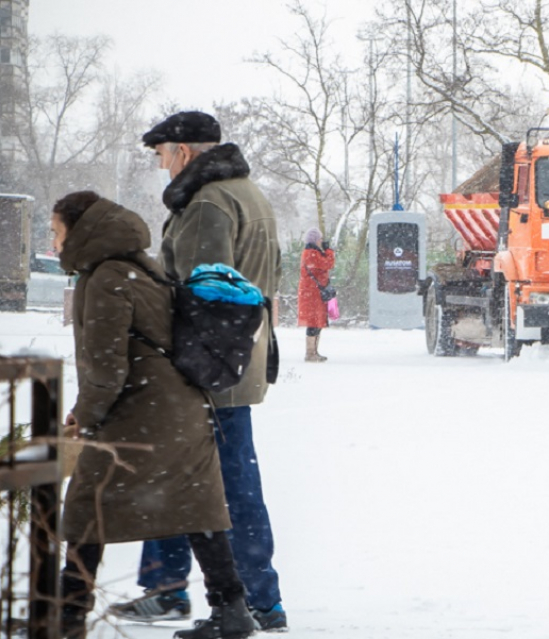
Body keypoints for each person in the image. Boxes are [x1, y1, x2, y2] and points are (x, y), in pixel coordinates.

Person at [108, 112, 287, 632]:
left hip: (208, 367)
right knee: (178, 474)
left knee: (223, 485)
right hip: (233, 361)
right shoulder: (245, 192)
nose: (162, 166)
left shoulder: (208, 203)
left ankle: (255, 599)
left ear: (184, 152)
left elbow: (201, 297)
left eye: (163, 155)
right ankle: (168, 587)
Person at [53, 191, 254, 639]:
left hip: (142, 411)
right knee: (196, 506)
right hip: (181, 408)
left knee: (88, 505)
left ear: (80, 229)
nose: (54, 242)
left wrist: (83, 418)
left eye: (56, 231)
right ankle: (232, 607)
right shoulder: (142, 267)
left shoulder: (106, 277)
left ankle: (66, 615)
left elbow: (106, 370)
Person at [297, 227, 335, 362]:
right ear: (315, 240)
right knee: (313, 322)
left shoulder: (313, 252)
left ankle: (314, 352)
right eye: (320, 239)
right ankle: (310, 353)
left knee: (317, 322)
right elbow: (328, 264)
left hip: (314, 293)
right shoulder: (311, 253)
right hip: (312, 294)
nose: (321, 241)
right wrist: (329, 251)